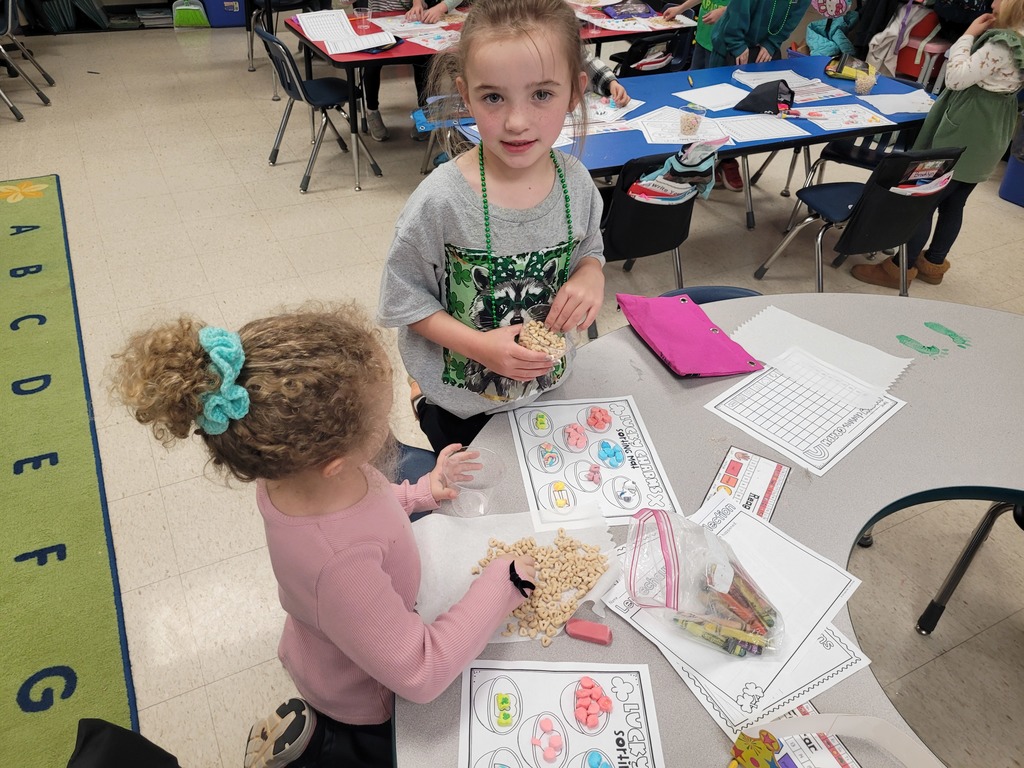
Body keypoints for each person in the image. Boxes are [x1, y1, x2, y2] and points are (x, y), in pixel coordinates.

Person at [111, 305, 537, 768]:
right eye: (382, 421)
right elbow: (420, 671)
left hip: (334, 636)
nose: (388, 427)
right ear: (335, 463)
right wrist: (505, 583)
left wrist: (419, 493)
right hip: (364, 700)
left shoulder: (292, 477)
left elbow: (368, 507)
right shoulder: (340, 565)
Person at [378, 0, 607, 454]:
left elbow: (590, 247)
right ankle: (419, 397)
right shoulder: (441, 201)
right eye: (493, 97)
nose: (517, 122)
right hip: (461, 407)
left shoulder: (576, 183)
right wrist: (479, 347)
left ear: (575, 92)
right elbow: (402, 301)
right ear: (465, 95)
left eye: (542, 94)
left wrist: (590, 274)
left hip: (547, 389)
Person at [852, 0, 1024, 289]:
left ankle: (899, 269)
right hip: (992, 130)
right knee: (954, 202)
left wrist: (967, 36)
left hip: (967, 127)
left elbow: (956, 78)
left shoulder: (1003, 43)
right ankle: (933, 263)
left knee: (923, 199)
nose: (992, 2)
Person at [664, 0, 747, 189]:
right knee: (694, 101)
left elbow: (750, 5)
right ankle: (693, 159)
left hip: (724, 44)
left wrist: (725, 12)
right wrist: (681, 9)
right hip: (703, 39)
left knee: (718, 105)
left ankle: (726, 161)